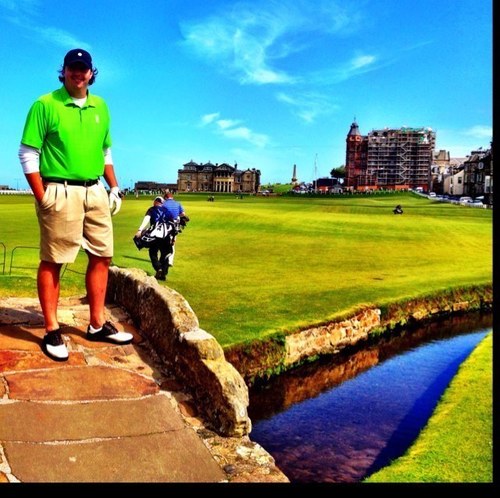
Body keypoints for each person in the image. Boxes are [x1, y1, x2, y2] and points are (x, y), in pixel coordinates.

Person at [18, 48, 133, 362]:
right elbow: (28, 153)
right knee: (54, 260)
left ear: (91, 73)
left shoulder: (101, 106)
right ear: (64, 71)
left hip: (95, 190)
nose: (78, 73)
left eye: (83, 69)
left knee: (102, 255)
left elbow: (105, 152)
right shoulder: (46, 104)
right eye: (73, 68)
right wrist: (43, 196)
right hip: (60, 190)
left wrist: (114, 186)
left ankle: (97, 324)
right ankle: (52, 329)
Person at [134, 196, 174, 281]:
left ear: (155, 202)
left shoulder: (151, 209)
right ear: (162, 203)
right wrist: (173, 237)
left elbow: (146, 219)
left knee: (153, 253)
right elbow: (172, 225)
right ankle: (163, 274)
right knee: (165, 254)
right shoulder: (167, 211)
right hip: (166, 236)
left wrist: (140, 230)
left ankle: (158, 268)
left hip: (154, 235)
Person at [161, 191, 189, 267]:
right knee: (172, 243)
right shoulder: (178, 203)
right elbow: (183, 214)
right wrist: (177, 216)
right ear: (172, 197)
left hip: (166, 226)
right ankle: (170, 261)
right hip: (175, 226)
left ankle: (164, 259)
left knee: (164, 243)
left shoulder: (164, 204)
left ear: (166, 197)